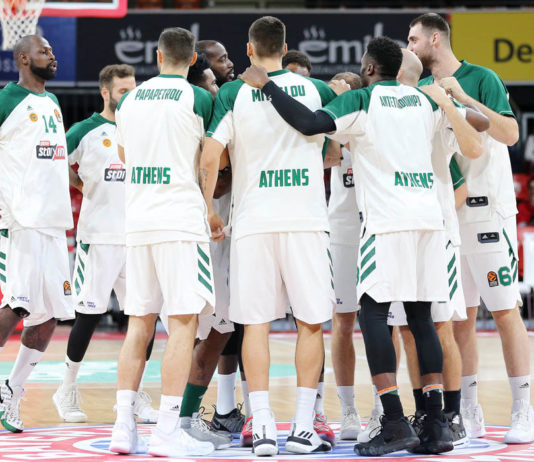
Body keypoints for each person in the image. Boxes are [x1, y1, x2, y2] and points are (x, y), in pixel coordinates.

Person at [239, 35, 484, 456]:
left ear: (369, 68)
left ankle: (394, 420)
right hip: (429, 220)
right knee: (421, 317)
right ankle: (436, 423)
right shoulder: (423, 100)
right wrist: (449, 102)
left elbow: (309, 123)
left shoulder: (364, 100)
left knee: (372, 314)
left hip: (386, 223)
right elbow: (479, 124)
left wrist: (269, 87)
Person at [200, 16, 337, 456]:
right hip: (306, 220)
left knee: (254, 325)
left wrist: (208, 208)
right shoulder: (318, 90)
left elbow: (210, 156)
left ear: (249, 48)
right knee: (310, 324)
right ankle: (302, 427)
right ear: (284, 46)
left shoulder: (233, 92)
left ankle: (261, 426)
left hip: (253, 222)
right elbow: (334, 150)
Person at [408, 12, 534, 444]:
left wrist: (462, 97)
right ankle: (468, 412)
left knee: (504, 311)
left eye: (413, 39)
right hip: (447, 217)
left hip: (487, 212)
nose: (409, 47)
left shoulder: (482, 77)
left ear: (435, 39)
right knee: (458, 320)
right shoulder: (420, 89)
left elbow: (510, 134)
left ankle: (523, 410)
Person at [108, 27, 215, 457]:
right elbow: (212, 156)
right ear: (192, 60)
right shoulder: (198, 97)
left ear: (156, 56)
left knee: (140, 324)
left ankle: (123, 427)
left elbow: (123, 156)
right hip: (179, 221)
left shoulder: (130, 100)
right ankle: (167, 430)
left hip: (138, 221)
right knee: (183, 325)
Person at [387, 48, 488, 449]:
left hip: (438, 230)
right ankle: (425, 413)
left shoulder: (433, 108)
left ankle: (452, 414)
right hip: (400, 230)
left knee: (440, 325)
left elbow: (477, 141)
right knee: (409, 330)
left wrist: (449, 101)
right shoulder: (383, 110)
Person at [52, 64, 158, 424]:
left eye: (133, 90)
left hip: (137, 237)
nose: (129, 96)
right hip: (98, 239)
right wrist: (80, 183)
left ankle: (134, 396)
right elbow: (56, 167)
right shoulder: (84, 131)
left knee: (143, 316)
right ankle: (66, 388)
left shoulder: (141, 130)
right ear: (105, 92)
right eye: (123, 91)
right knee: (89, 315)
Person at [0, 35, 74, 433]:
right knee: (19, 305)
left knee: (50, 316)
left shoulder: (53, 102)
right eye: (45, 51)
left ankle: (11, 390)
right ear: (23, 59)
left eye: (52, 50)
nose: (53, 55)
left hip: (53, 222)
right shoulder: (7, 100)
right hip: (21, 221)